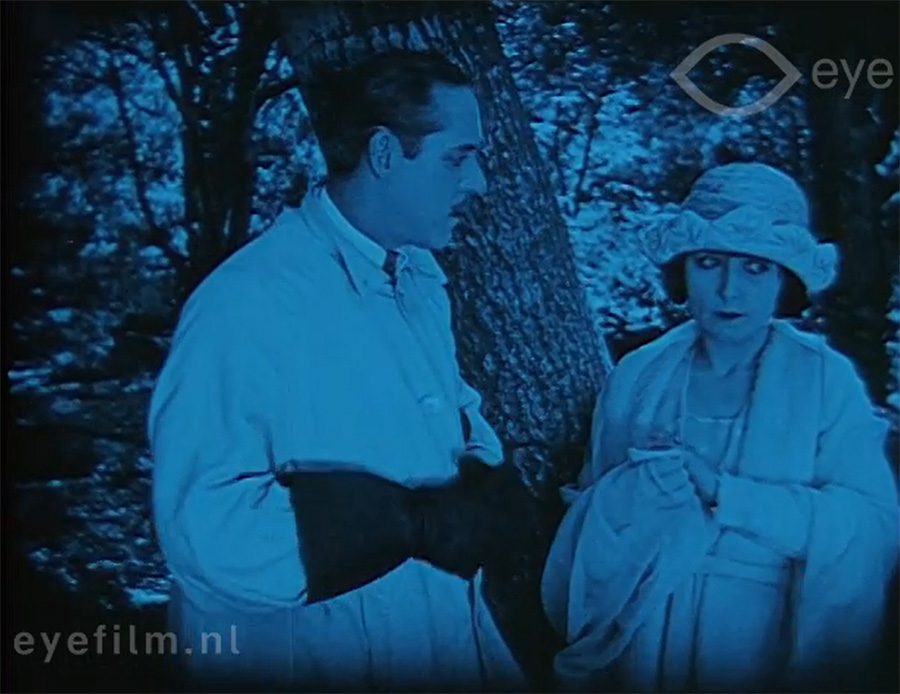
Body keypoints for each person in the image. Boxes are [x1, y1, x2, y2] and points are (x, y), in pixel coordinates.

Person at [148, 50, 532, 692]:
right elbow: (204, 530)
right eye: (458, 157)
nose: (479, 182)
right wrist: (406, 525)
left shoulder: (417, 279)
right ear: (384, 153)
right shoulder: (247, 302)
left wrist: (478, 480)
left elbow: (450, 413)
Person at [541, 163, 900, 692]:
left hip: (760, 638)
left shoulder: (824, 380)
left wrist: (727, 494)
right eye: (709, 263)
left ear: (784, 280)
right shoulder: (640, 376)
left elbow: (871, 527)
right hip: (645, 634)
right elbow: (588, 521)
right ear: (683, 270)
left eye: (756, 267)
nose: (730, 290)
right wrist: (635, 494)